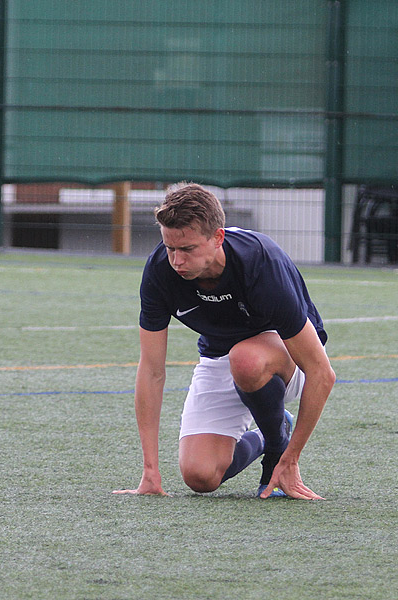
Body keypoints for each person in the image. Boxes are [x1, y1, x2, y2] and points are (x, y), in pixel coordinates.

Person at [113, 183, 335, 500]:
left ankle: (275, 448)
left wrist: (290, 459)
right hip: (220, 357)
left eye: (187, 249)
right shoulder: (160, 272)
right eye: (169, 248)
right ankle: (268, 432)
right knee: (199, 476)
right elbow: (151, 370)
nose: (176, 260)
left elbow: (321, 372)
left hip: (290, 359)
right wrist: (150, 472)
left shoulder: (260, 262)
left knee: (245, 358)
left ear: (218, 237)